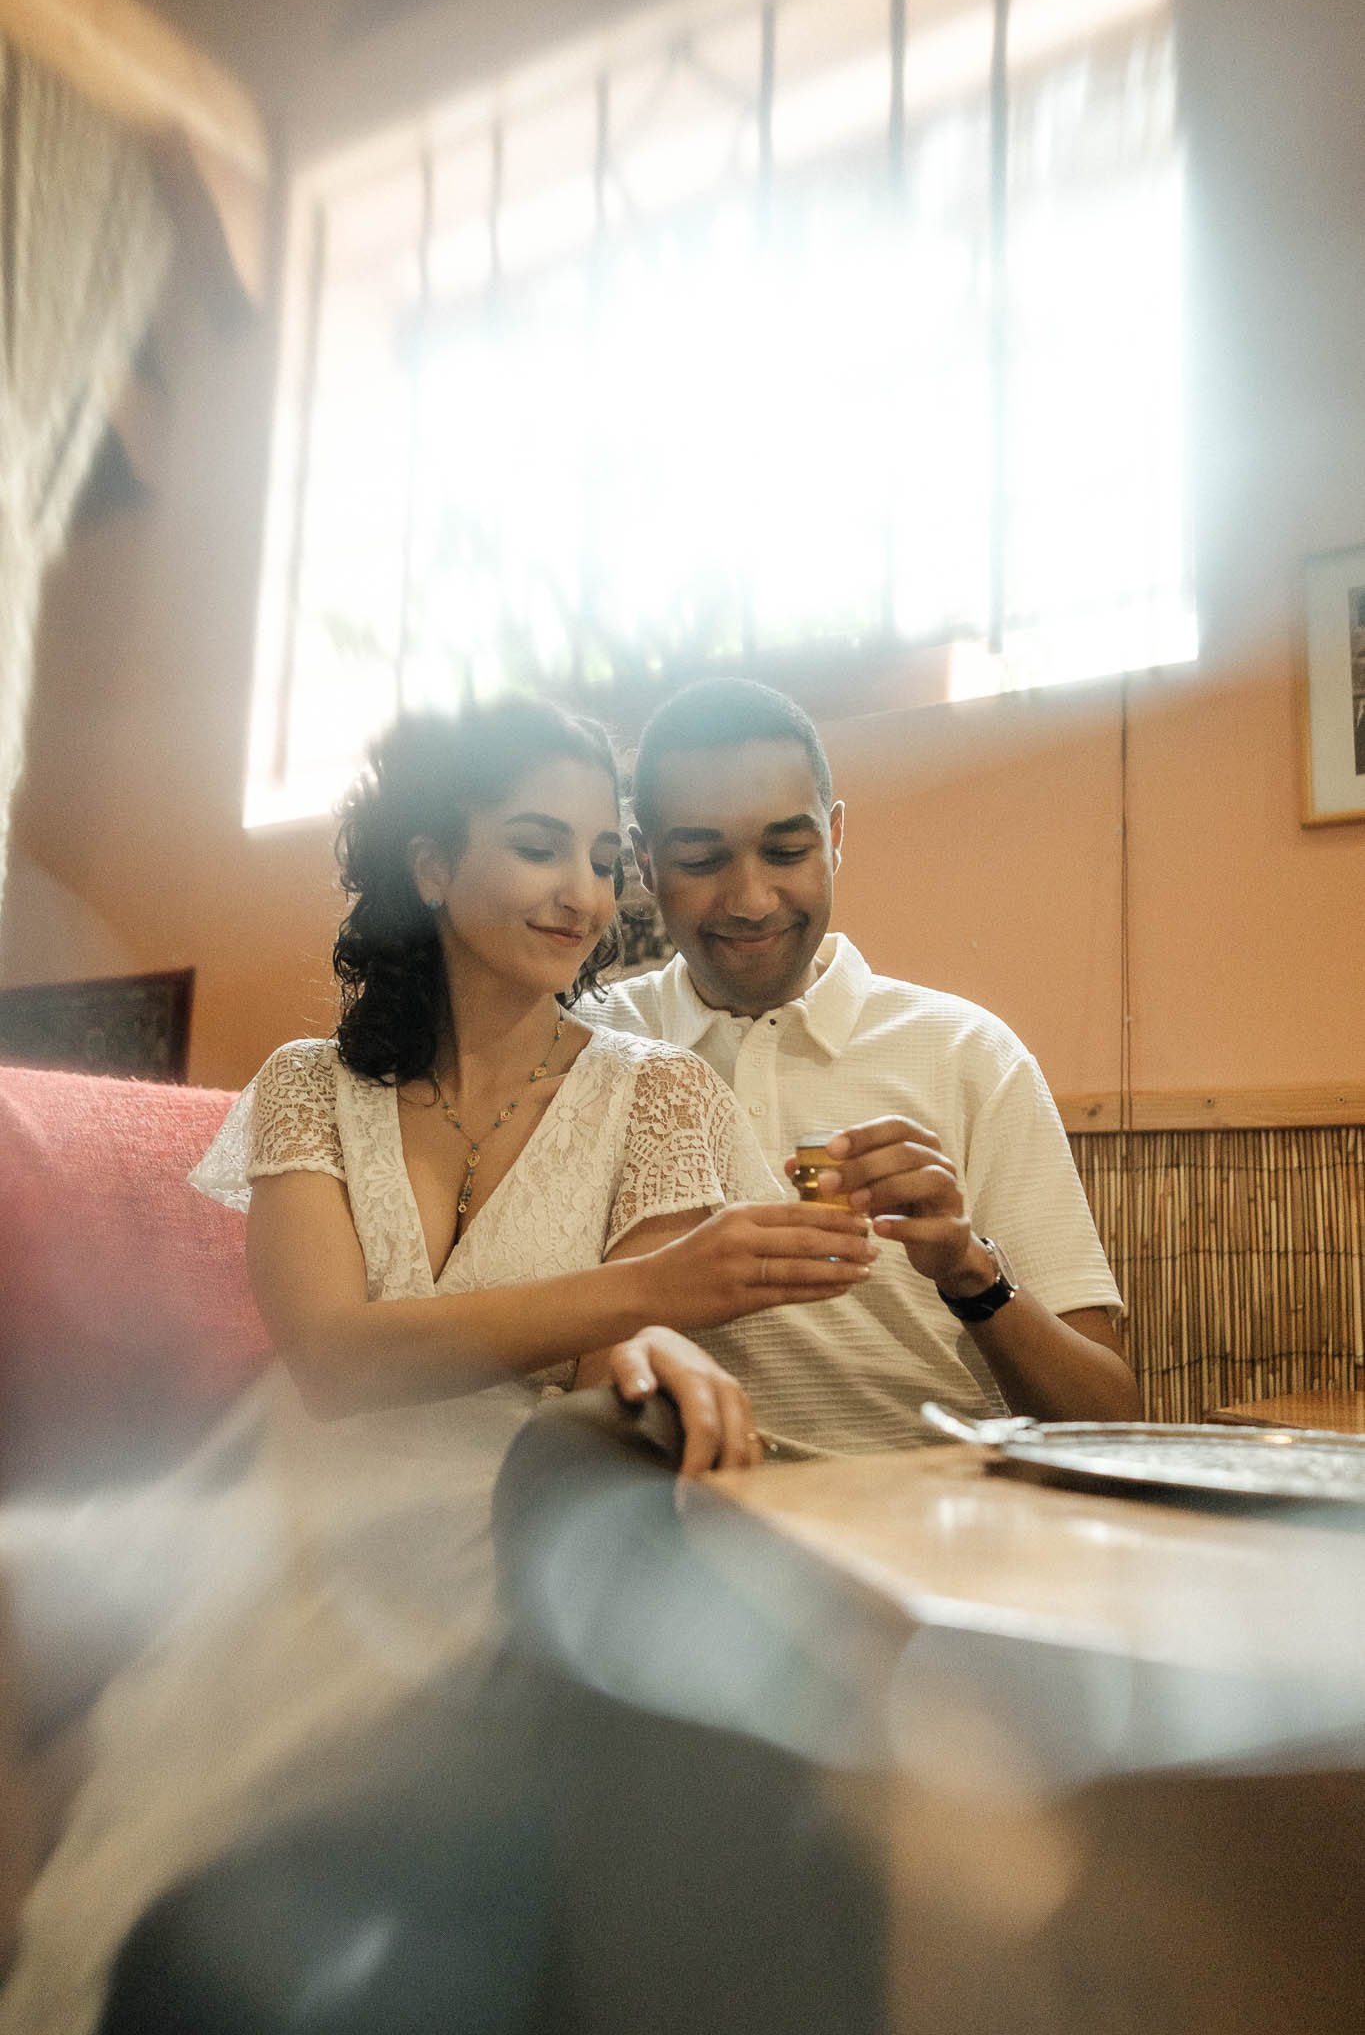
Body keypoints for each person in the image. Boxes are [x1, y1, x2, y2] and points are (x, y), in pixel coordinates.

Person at [0, 697, 875, 2035]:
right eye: (538, 845)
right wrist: (654, 1289)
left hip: (494, 1495)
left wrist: (655, 1343)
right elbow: (336, 1356)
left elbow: (601, 1363)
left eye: (601, 855)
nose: (583, 891)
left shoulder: (660, 1095)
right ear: (427, 865)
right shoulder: (310, 1088)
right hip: (287, 1470)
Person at [582, 677, 1137, 1455]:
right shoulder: (584, 1044)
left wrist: (967, 1270)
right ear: (643, 860)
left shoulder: (967, 1052)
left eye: (786, 850)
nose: (750, 899)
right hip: (683, 1523)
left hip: (931, 1524)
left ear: (835, 837)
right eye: (702, 857)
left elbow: (1108, 1417)